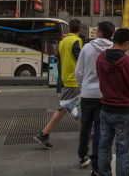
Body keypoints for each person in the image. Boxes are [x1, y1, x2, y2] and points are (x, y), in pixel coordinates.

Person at [97, 28, 129, 176]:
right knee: (122, 150)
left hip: (105, 108)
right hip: (124, 111)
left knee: (103, 146)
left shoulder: (101, 57)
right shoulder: (128, 61)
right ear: (126, 43)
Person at [34, 19, 83, 149]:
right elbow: (81, 60)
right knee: (67, 108)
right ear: (80, 29)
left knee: (71, 107)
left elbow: (60, 61)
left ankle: (44, 134)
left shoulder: (62, 42)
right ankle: (43, 134)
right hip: (74, 80)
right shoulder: (76, 41)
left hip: (66, 78)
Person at [75, 21, 115, 175]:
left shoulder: (87, 48)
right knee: (99, 129)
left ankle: (82, 155)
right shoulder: (113, 49)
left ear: (99, 31)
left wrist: (83, 86)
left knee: (85, 126)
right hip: (104, 95)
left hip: (87, 94)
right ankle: (97, 160)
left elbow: (79, 72)